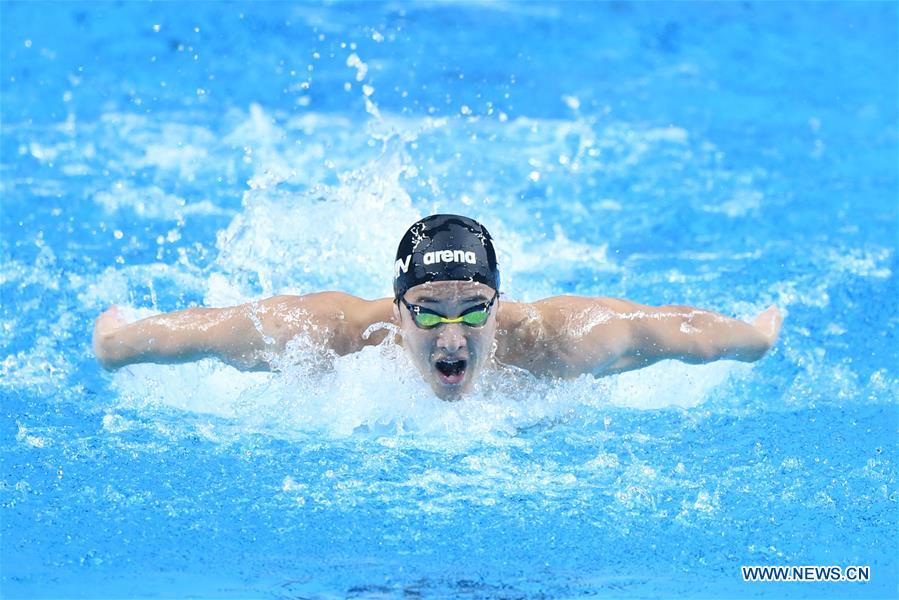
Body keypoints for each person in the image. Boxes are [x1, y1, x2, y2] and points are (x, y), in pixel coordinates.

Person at [93, 214, 782, 401]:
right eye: (427, 310)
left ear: (499, 303)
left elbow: (680, 331)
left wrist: (755, 338)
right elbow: (206, 331)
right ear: (396, 310)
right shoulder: (326, 332)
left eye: (473, 309)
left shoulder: (563, 339)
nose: (452, 334)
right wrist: (117, 342)